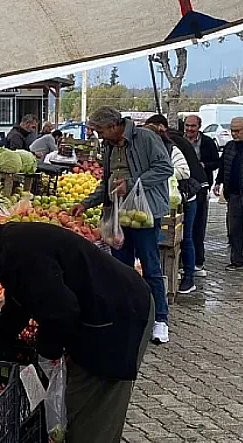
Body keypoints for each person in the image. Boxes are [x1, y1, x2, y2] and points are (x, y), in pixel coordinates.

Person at [0, 223, 153, 443]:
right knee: (78, 407)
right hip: (103, 313)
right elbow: (20, 302)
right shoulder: (8, 246)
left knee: (91, 419)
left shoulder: (20, 254)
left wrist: (47, 354)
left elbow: (62, 311)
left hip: (118, 320)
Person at [70, 106, 173, 344]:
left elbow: (165, 168)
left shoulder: (145, 137)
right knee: (120, 269)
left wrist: (133, 183)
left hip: (145, 213)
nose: (99, 135)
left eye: (100, 130)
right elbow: (106, 181)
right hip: (119, 215)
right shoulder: (108, 146)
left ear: (114, 125)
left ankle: (160, 319)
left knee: (150, 266)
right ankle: (126, 316)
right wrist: (86, 203)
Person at [144, 114, 206, 294]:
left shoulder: (172, 149)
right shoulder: (146, 151)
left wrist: (162, 172)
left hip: (185, 199)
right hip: (163, 200)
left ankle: (189, 278)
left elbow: (185, 172)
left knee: (186, 237)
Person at [183, 115, 221, 276]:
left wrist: (203, 165)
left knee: (198, 225)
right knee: (184, 226)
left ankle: (198, 262)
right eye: (187, 125)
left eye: (193, 126)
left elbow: (217, 162)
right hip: (183, 188)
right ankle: (183, 262)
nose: (189, 129)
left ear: (199, 127)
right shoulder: (180, 141)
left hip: (201, 188)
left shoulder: (207, 142)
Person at [213, 117, 243, 271]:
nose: (234, 134)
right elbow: (223, 166)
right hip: (234, 195)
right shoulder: (230, 147)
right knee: (234, 229)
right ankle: (237, 260)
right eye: (232, 130)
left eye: (238, 131)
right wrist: (218, 182)